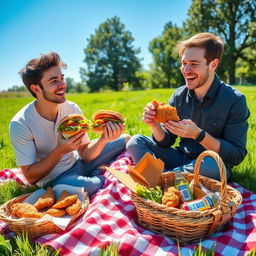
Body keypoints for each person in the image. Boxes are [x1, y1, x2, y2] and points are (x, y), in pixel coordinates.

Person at [126, 32, 250, 181]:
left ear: (213, 64)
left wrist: (199, 135)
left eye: (194, 64)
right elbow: (167, 142)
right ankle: (171, 180)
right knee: (136, 141)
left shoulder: (235, 100)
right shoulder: (179, 95)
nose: (186, 70)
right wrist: (155, 126)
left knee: (213, 165)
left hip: (210, 164)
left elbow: (236, 155)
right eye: (184, 63)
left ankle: (159, 179)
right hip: (180, 157)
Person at [9, 52, 130, 197]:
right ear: (36, 89)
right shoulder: (20, 124)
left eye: (62, 78)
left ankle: (97, 172)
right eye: (54, 81)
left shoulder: (72, 109)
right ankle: (100, 175)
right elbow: (31, 176)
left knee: (126, 139)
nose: (62, 85)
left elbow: (85, 154)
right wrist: (61, 149)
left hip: (79, 163)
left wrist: (104, 139)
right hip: (56, 179)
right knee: (92, 185)